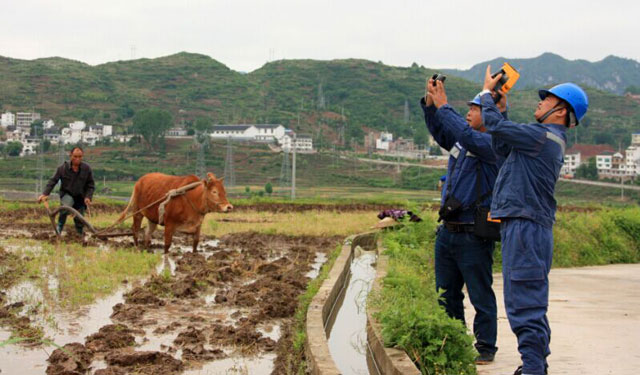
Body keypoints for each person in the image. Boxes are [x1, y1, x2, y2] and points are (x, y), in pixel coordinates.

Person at [480, 66, 589, 375]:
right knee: (529, 300)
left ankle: (532, 369)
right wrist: (501, 108)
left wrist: (488, 95)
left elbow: (495, 128)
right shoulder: (540, 138)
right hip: (526, 225)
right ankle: (535, 364)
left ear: (561, 110)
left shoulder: (542, 137)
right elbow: (501, 147)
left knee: (524, 302)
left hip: (527, 228)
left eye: (547, 99)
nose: (540, 103)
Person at [420, 77, 507, 364]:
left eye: (475, 108)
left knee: (480, 294)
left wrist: (445, 106)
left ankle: (485, 347)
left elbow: (461, 131)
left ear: (491, 115)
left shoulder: (492, 144)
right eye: (468, 108)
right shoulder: (464, 142)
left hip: (473, 233)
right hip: (449, 230)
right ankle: (454, 340)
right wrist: (432, 105)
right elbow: (443, 132)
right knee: (446, 293)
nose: (469, 112)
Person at [38, 146, 95, 235]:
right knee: (65, 208)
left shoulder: (86, 169)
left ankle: (79, 235)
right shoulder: (62, 168)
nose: (77, 159)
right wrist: (45, 193)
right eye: (75, 156)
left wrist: (88, 197)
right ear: (70, 156)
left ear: (82, 157)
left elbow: (90, 185)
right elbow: (53, 181)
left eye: (80, 157)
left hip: (81, 197)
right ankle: (59, 229)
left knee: (79, 219)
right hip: (67, 194)